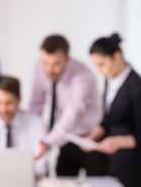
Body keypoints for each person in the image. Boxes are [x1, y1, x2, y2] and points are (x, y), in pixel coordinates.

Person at [31, 35, 103, 175]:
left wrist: (48, 141)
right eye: (45, 62)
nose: (49, 69)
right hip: (67, 136)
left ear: (67, 60)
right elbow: (36, 103)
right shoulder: (40, 66)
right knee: (62, 178)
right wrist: (33, 134)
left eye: (56, 63)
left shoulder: (83, 76)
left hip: (90, 138)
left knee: (97, 182)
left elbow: (73, 113)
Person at [83, 33, 141, 187]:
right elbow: (110, 116)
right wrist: (97, 132)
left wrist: (119, 142)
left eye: (102, 64)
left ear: (117, 56)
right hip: (110, 160)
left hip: (131, 163)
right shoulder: (110, 79)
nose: (99, 71)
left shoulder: (136, 86)